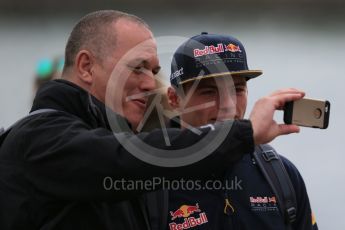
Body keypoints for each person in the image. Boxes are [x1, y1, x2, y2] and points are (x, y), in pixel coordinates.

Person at [0, 10, 304, 230]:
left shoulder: (279, 175)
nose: (148, 84)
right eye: (137, 68)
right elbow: (121, 160)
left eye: (153, 70)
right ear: (86, 67)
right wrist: (246, 132)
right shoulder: (38, 138)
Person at [147, 32, 317, 229]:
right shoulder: (149, 182)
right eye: (209, 91)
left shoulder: (281, 174)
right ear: (174, 99)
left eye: (237, 89)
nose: (227, 105)